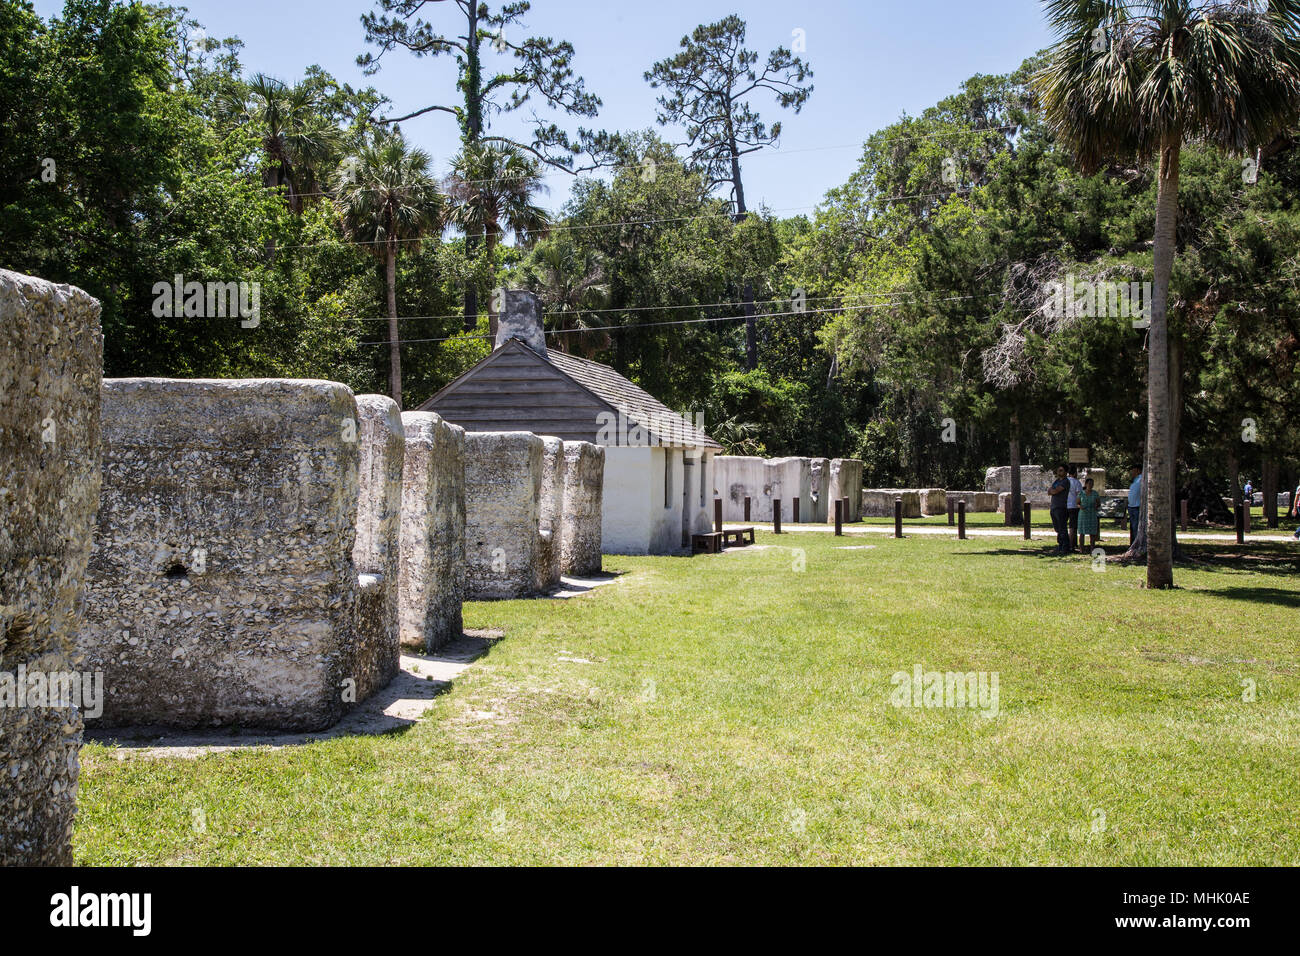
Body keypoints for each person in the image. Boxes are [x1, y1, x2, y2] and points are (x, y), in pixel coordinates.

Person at [1049, 465, 1072, 554]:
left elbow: (1055, 491)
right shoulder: (1056, 481)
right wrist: (1052, 490)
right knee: (1057, 528)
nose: (1059, 472)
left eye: (1061, 470)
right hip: (1054, 506)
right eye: (1058, 470)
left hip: (1061, 507)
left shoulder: (1066, 481)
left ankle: (1065, 547)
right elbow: (1049, 491)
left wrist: (1053, 490)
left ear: (1066, 472)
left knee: (1062, 528)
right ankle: (1060, 545)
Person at [1078, 477, 1101, 549]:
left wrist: (1096, 505)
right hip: (1083, 514)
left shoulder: (1095, 493)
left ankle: (1092, 548)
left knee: (1092, 533)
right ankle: (1081, 548)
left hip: (1092, 514)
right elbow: (1077, 503)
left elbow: (1099, 503)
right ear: (1086, 484)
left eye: (1092, 484)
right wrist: (1080, 506)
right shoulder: (1081, 493)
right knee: (1082, 532)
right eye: (1089, 484)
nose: (1091, 485)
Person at [1066, 466, 1084, 550]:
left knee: (1064, 526)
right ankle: (1071, 544)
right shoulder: (1076, 482)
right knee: (1073, 526)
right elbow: (1079, 495)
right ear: (1075, 473)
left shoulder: (1065, 481)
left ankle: (1066, 543)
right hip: (1073, 506)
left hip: (1065, 505)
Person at [1127, 464, 1143, 536]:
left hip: (1137, 506)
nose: (1132, 473)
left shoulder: (1142, 478)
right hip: (1131, 506)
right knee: (1133, 526)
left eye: (1134, 471)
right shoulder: (1135, 480)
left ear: (1138, 471)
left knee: (1136, 526)